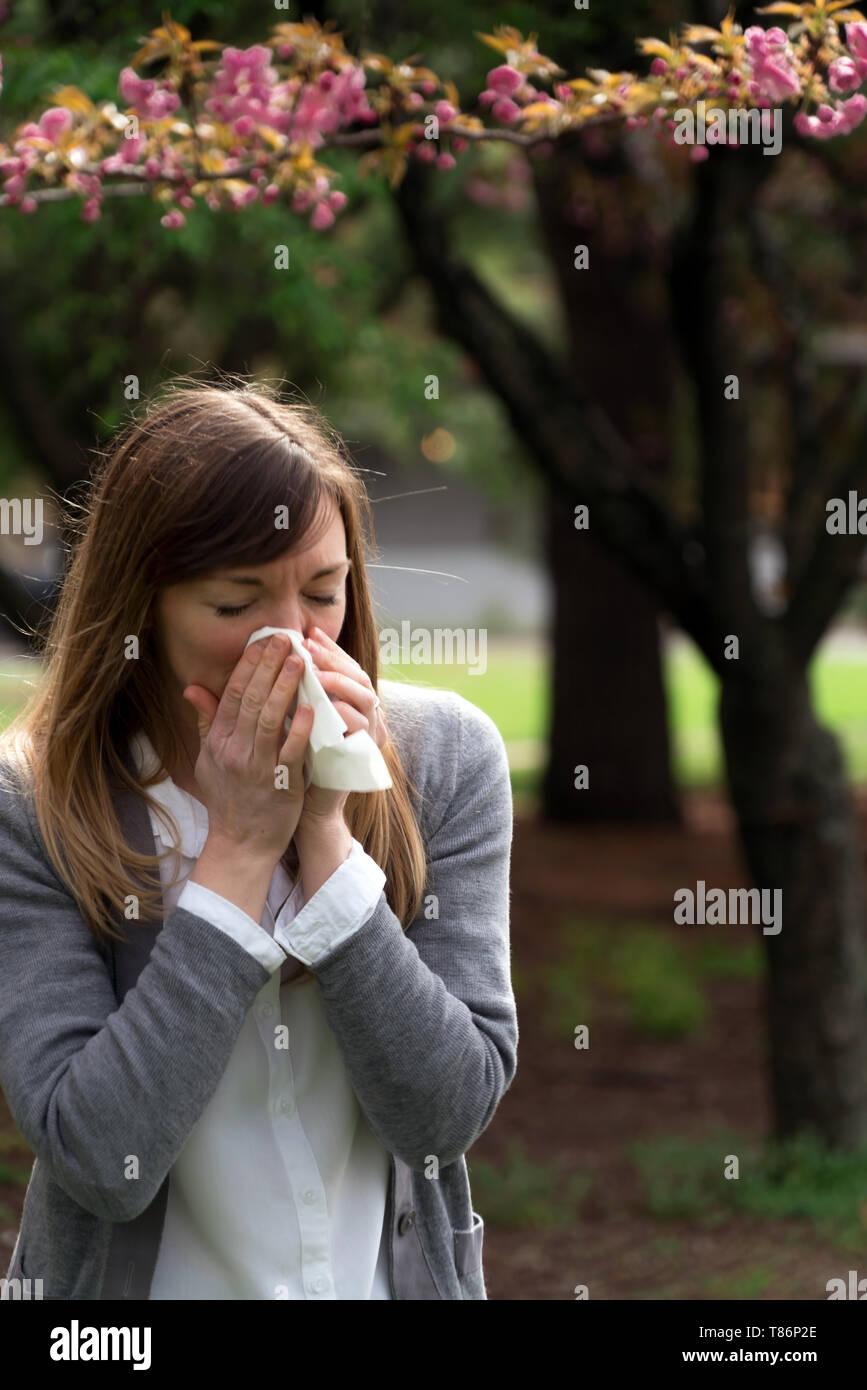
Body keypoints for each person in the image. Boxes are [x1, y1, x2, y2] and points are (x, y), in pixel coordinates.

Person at [0, 376, 517, 1301]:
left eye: (322, 593)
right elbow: (98, 1156)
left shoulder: (445, 764)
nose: (290, 641)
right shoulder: (35, 803)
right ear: (140, 610)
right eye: (235, 605)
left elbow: (443, 1118)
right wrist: (236, 854)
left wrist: (324, 833)